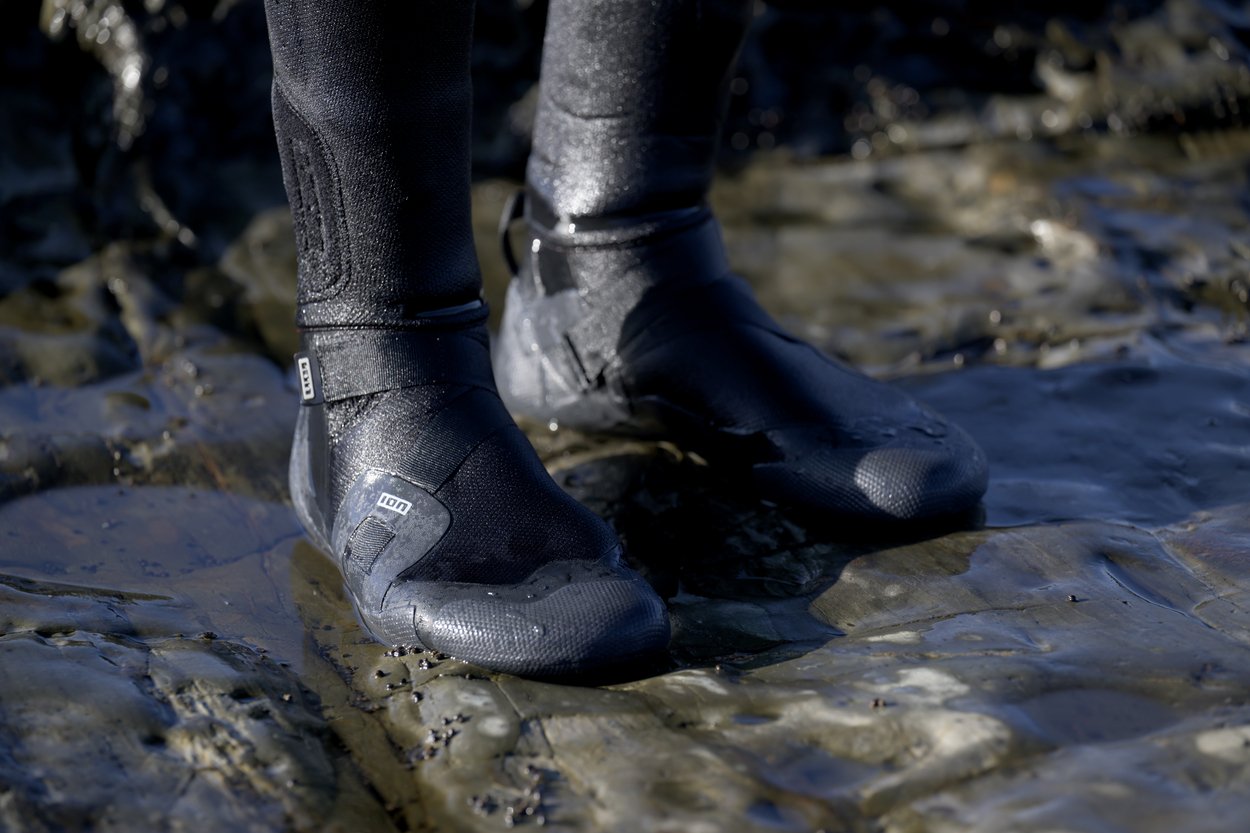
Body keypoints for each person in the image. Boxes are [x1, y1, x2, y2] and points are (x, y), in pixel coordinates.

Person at [263, 0, 987, 678]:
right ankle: (371, 372)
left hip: (655, 271)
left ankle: (622, 266)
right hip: (374, 381)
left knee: (637, 215)